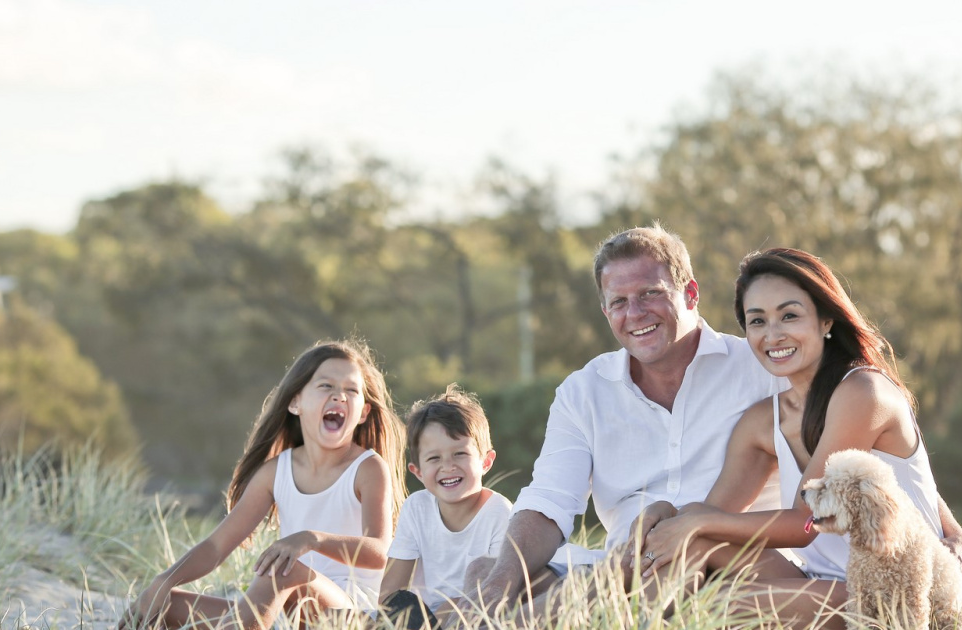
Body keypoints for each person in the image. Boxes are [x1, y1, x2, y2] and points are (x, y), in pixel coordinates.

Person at [635, 248, 962, 629]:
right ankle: (621, 619)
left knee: (721, 603)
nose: (773, 334)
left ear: (826, 320)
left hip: (893, 595)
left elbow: (805, 524)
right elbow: (716, 518)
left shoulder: (863, 393)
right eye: (757, 321)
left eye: (789, 315)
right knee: (695, 547)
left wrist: (693, 522)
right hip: (822, 583)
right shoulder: (762, 421)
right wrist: (671, 517)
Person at [473, 224, 789, 615]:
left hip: (726, 560)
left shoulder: (762, 369)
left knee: (671, 571)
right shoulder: (584, 391)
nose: (635, 313)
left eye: (650, 294)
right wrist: (498, 585)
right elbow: (550, 500)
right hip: (621, 567)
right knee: (488, 572)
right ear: (605, 311)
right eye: (619, 302)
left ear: (691, 293)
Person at [120, 340, 406, 630]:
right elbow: (216, 546)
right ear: (296, 403)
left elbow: (379, 552)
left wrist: (311, 539)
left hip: (351, 612)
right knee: (158, 602)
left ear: (364, 412)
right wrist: (164, 581)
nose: (340, 396)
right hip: (287, 613)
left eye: (351, 390)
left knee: (283, 569)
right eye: (326, 386)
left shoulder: (367, 468)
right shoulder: (276, 472)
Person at [378, 384, 512, 624]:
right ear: (417, 471)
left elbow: (496, 594)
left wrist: (446, 614)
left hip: (475, 615)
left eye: (460, 454)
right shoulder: (416, 507)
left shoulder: (499, 512)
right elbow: (390, 593)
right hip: (422, 618)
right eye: (434, 458)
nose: (448, 466)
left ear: (486, 461)